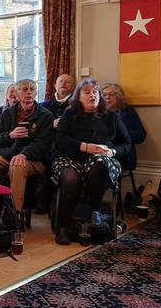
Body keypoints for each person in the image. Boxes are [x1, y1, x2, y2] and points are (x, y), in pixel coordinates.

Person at [53, 79, 131, 245]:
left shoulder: (111, 116)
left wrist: (113, 151)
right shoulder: (70, 114)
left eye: (95, 91)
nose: (92, 95)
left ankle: (95, 213)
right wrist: (86, 147)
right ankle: (62, 228)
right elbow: (61, 139)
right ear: (78, 97)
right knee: (71, 178)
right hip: (71, 157)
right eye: (87, 92)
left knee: (99, 164)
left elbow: (127, 143)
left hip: (102, 160)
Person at [0, 79, 54, 213]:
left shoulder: (45, 116)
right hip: (8, 155)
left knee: (17, 165)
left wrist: (24, 154)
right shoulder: (7, 114)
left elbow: (42, 144)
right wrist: (10, 135)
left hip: (34, 159)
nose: (29, 92)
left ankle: (14, 215)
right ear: (17, 94)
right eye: (25, 89)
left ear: (36, 93)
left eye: (32, 89)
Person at [102, 83, 146, 172]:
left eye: (111, 94)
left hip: (122, 155)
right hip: (100, 152)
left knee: (101, 167)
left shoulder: (127, 112)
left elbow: (141, 136)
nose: (107, 97)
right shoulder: (98, 113)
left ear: (119, 96)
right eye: (104, 95)